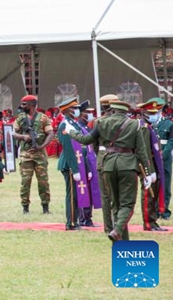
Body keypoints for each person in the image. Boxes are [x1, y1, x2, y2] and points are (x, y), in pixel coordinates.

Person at [65, 100, 153, 242]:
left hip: (108, 166)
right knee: (128, 204)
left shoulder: (101, 123)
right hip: (128, 165)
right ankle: (117, 230)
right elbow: (142, 151)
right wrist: (147, 172)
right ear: (126, 112)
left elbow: (86, 139)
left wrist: (71, 132)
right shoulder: (134, 124)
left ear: (112, 110)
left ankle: (122, 241)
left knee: (116, 205)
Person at [13, 95, 54, 214]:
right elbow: (13, 133)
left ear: (31, 105)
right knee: (25, 182)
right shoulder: (20, 118)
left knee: (43, 182)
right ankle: (25, 207)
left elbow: (50, 134)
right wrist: (24, 137)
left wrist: (41, 146)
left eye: (24, 104)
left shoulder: (43, 118)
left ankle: (45, 207)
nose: (22, 106)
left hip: (40, 155)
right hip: (25, 155)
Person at [136, 99, 167, 231]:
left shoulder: (149, 127)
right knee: (148, 194)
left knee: (154, 194)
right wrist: (150, 170)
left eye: (155, 112)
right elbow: (144, 151)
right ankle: (148, 222)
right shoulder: (143, 128)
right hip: (148, 164)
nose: (154, 115)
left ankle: (153, 221)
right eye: (151, 112)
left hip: (154, 163)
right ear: (144, 113)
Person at [55, 98, 82, 230]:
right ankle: (71, 223)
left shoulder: (72, 123)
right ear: (67, 110)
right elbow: (68, 148)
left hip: (74, 162)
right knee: (72, 195)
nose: (77, 110)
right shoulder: (65, 125)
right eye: (74, 108)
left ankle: (75, 220)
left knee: (75, 194)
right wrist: (74, 168)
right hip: (69, 163)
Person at [157, 103, 173, 220]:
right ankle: (155, 210)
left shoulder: (169, 124)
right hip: (153, 157)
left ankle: (164, 210)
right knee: (155, 184)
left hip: (165, 158)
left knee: (166, 184)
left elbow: (171, 141)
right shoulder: (151, 124)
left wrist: (164, 154)